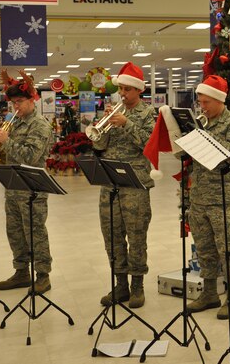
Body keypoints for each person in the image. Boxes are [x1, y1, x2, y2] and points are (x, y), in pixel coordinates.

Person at [92, 62, 155, 309]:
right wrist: (104, 125)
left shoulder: (149, 114)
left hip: (136, 183)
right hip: (110, 184)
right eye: (121, 89)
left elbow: (149, 144)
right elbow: (98, 146)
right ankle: (120, 285)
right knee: (112, 235)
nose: (123, 94)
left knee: (137, 235)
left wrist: (126, 124)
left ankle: (137, 286)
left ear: (139, 90)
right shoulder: (112, 112)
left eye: (128, 89)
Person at [185, 75, 230, 320]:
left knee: (229, 249)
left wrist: (203, 136)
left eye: (207, 102)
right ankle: (210, 292)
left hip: (224, 198)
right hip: (199, 196)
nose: (202, 107)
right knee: (205, 249)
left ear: (219, 101)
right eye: (200, 102)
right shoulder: (201, 123)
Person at [0, 70, 55, 294]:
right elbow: (8, 154)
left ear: (32, 100)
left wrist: (7, 141)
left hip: (32, 189)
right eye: (13, 103)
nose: (16, 106)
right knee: (15, 231)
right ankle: (21, 272)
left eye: (20, 102)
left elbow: (30, 156)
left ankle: (43, 275)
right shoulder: (16, 123)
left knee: (35, 231)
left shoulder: (39, 125)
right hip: (13, 187)